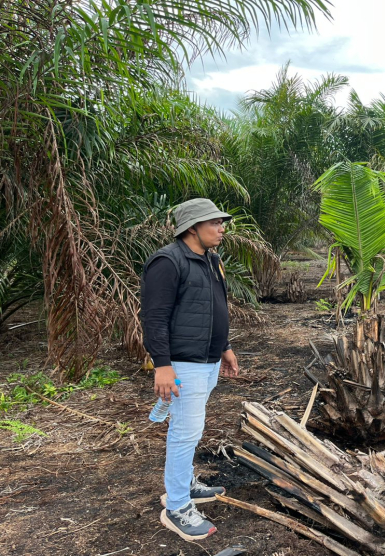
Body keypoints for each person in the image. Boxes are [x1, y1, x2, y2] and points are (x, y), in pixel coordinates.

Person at [141, 198, 240, 541]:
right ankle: (177, 506)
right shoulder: (168, 262)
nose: (221, 227)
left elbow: (214, 307)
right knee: (184, 433)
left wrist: (224, 347)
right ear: (192, 228)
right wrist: (163, 365)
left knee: (191, 429)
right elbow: (154, 317)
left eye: (221, 222)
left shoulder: (210, 260)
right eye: (214, 222)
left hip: (208, 359)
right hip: (183, 363)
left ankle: (183, 485)